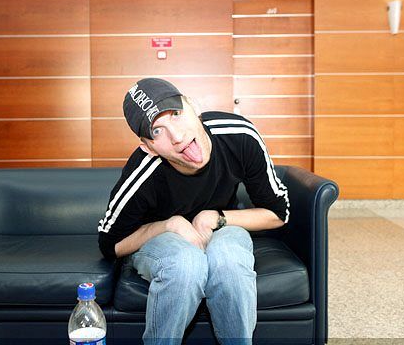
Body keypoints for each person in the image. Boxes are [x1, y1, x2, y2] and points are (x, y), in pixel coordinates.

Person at [97, 78, 290, 345]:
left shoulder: (239, 135)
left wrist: (218, 218)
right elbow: (110, 244)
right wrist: (169, 225)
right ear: (148, 147)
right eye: (157, 131)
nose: (177, 136)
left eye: (176, 114)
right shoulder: (143, 172)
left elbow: (278, 213)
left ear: (193, 106)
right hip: (161, 240)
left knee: (229, 261)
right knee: (186, 265)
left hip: (222, 227)